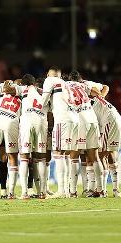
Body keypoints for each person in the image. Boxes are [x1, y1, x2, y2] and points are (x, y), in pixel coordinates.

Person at [41, 67, 79, 198]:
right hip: (74, 119)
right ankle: (67, 190)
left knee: (57, 153)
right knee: (66, 154)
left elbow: (42, 102)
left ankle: (61, 190)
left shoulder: (49, 80)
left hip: (62, 119)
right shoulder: (65, 83)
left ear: (48, 75)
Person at [67, 71, 101, 198]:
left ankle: (73, 191)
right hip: (92, 118)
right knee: (94, 157)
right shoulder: (84, 85)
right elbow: (97, 92)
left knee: (74, 155)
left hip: (80, 120)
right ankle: (100, 190)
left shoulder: (65, 85)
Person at [15, 74, 49, 199]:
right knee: (40, 158)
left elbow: (8, 88)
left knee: (24, 157)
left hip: (27, 121)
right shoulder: (45, 93)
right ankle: (42, 192)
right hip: (41, 121)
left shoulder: (23, 89)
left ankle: (24, 192)